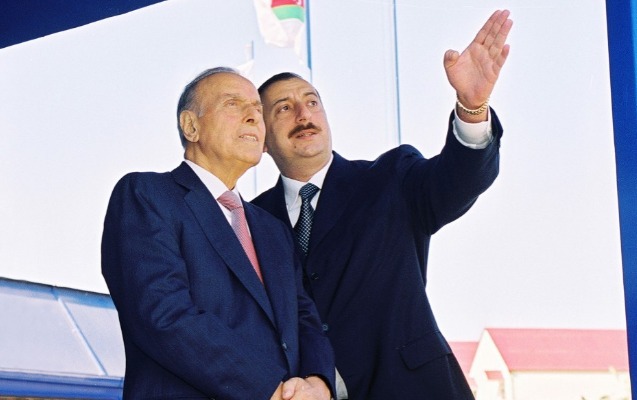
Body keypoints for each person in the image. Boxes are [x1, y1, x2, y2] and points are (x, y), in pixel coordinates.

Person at [252, 10, 513, 400]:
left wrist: (471, 108)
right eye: (284, 109)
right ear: (261, 138)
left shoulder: (390, 177)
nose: (304, 115)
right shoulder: (250, 222)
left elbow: (460, 179)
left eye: (312, 102)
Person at [101, 67, 335, 399]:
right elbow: (163, 313)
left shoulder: (273, 229)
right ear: (191, 126)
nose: (253, 116)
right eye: (233, 104)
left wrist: (318, 382)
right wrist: (268, 389)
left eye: (257, 109)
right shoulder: (146, 195)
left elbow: (304, 317)